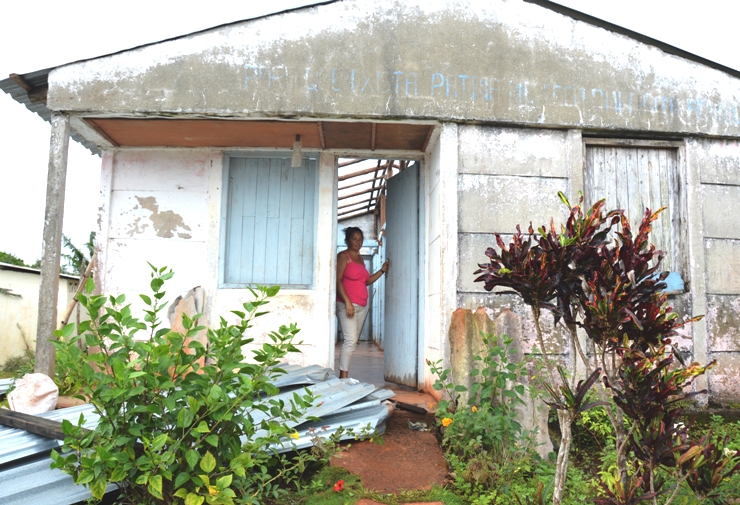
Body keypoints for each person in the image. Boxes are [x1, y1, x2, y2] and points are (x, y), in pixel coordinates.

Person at [336, 227, 389, 379]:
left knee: (352, 342)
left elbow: (366, 281)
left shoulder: (360, 260)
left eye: (360, 239)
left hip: (361, 306)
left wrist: (382, 271)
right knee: (350, 340)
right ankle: (343, 377)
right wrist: (347, 302)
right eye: (354, 239)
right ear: (347, 240)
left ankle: (344, 374)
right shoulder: (343, 256)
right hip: (347, 305)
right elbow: (337, 281)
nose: (357, 242)